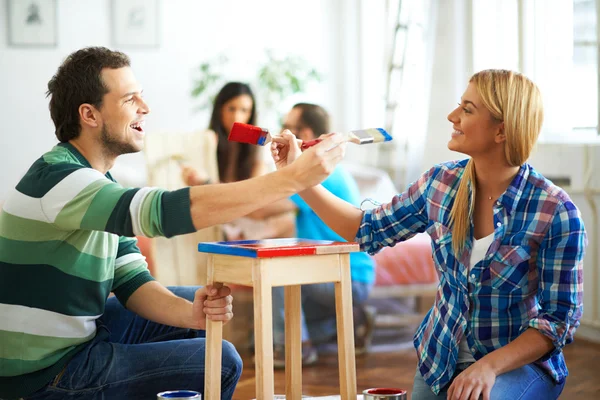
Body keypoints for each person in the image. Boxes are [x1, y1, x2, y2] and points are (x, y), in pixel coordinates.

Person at [0, 47, 346, 400]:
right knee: (222, 360)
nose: (145, 109)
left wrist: (192, 313)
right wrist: (291, 179)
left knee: (190, 309)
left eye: (142, 98)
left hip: (80, 340)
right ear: (89, 114)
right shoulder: (63, 179)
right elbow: (162, 212)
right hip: (43, 376)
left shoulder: (98, 182)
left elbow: (132, 281)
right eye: (130, 100)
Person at [271, 69, 586, 400]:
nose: (452, 116)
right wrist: (297, 176)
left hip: (517, 365)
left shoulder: (555, 211)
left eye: (467, 109)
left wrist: (488, 367)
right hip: (442, 358)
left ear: (501, 130)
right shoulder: (441, 183)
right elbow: (368, 229)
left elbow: (558, 321)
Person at [248, 103, 376, 367]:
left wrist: (207, 186)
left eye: (290, 126)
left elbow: (261, 208)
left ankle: (295, 349)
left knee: (277, 272)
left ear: (304, 132)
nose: (283, 131)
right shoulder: (322, 170)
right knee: (264, 332)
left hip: (348, 276)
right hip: (330, 275)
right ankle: (353, 322)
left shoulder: (318, 173)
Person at [180, 82, 295, 240]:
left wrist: (207, 182)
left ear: (251, 113)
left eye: (244, 110)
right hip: (216, 211)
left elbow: (253, 197)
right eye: (231, 109)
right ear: (220, 109)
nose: (236, 117)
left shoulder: (258, 147)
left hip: (244, 211)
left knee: (284, 223)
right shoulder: (206, 142)